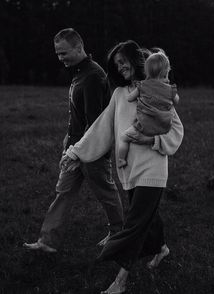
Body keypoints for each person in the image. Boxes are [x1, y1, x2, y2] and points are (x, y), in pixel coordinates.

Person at [61, 40, 184, 294]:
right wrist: (75, 153)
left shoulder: (155, 90)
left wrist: (153, 140)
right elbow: (101, 129)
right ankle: (161, 248)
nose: (120, 67)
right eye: (116, 64)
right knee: (148, 217)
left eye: (123, 61)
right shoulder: (119, 95)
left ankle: (120, 280)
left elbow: (177, 129)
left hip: (153, 169)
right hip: (128, 171)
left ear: (135, 60)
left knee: (135, 224)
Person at [23, 28, 124, 253]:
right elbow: (77, 115)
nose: (60, 59)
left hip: (92, 150)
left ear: (79, 48)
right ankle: (47, 242)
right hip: (74, 148)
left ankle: (118, 235)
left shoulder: (93, 77)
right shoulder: (79, 72)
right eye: (57, 54)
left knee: (105, 194)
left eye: (64, 53)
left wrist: (79, 152)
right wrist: (68, 141)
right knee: (64, 192)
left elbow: (95, 123)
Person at [118, 49, 179, 168]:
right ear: (166, 72)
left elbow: (129, 98)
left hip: (143, 127)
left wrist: (135, 93)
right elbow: (176, 101)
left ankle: (121, 160)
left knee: (124, 138)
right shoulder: (170, 89)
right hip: (163, 127)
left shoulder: (142, 86)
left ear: (147, 72)